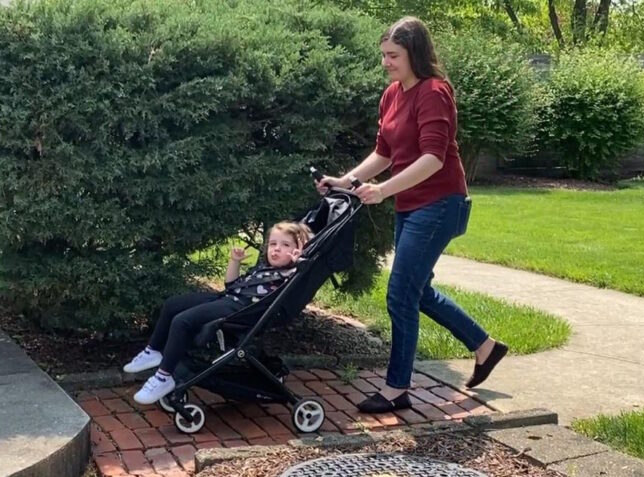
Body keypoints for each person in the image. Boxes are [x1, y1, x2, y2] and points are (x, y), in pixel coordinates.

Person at [316, 17, 508, 414]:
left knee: (401, 294)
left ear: (414, 54)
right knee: (417, 291)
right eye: (384, 55)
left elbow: (433, 159)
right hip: (411, 205)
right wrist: (345, 181)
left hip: (440, 204)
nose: (386, 62)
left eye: (393, 56)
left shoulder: (434, 92)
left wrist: (383, 191)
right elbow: (384, 153)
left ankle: (396, 389)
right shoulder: (391, 95)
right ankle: (485, 347)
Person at [123, 221, 312, 405]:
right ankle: (153, 351)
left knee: (182, 321)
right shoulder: (265, 268)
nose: (276, 249)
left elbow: (298, 286)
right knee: (173, 305)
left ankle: (163, 378)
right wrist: (235, 261)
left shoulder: (291, 273)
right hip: (229, 298)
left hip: (242, 309)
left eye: (285, 245)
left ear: (297, 250)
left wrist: (299, 261)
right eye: (273, 244)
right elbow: (231, 285)